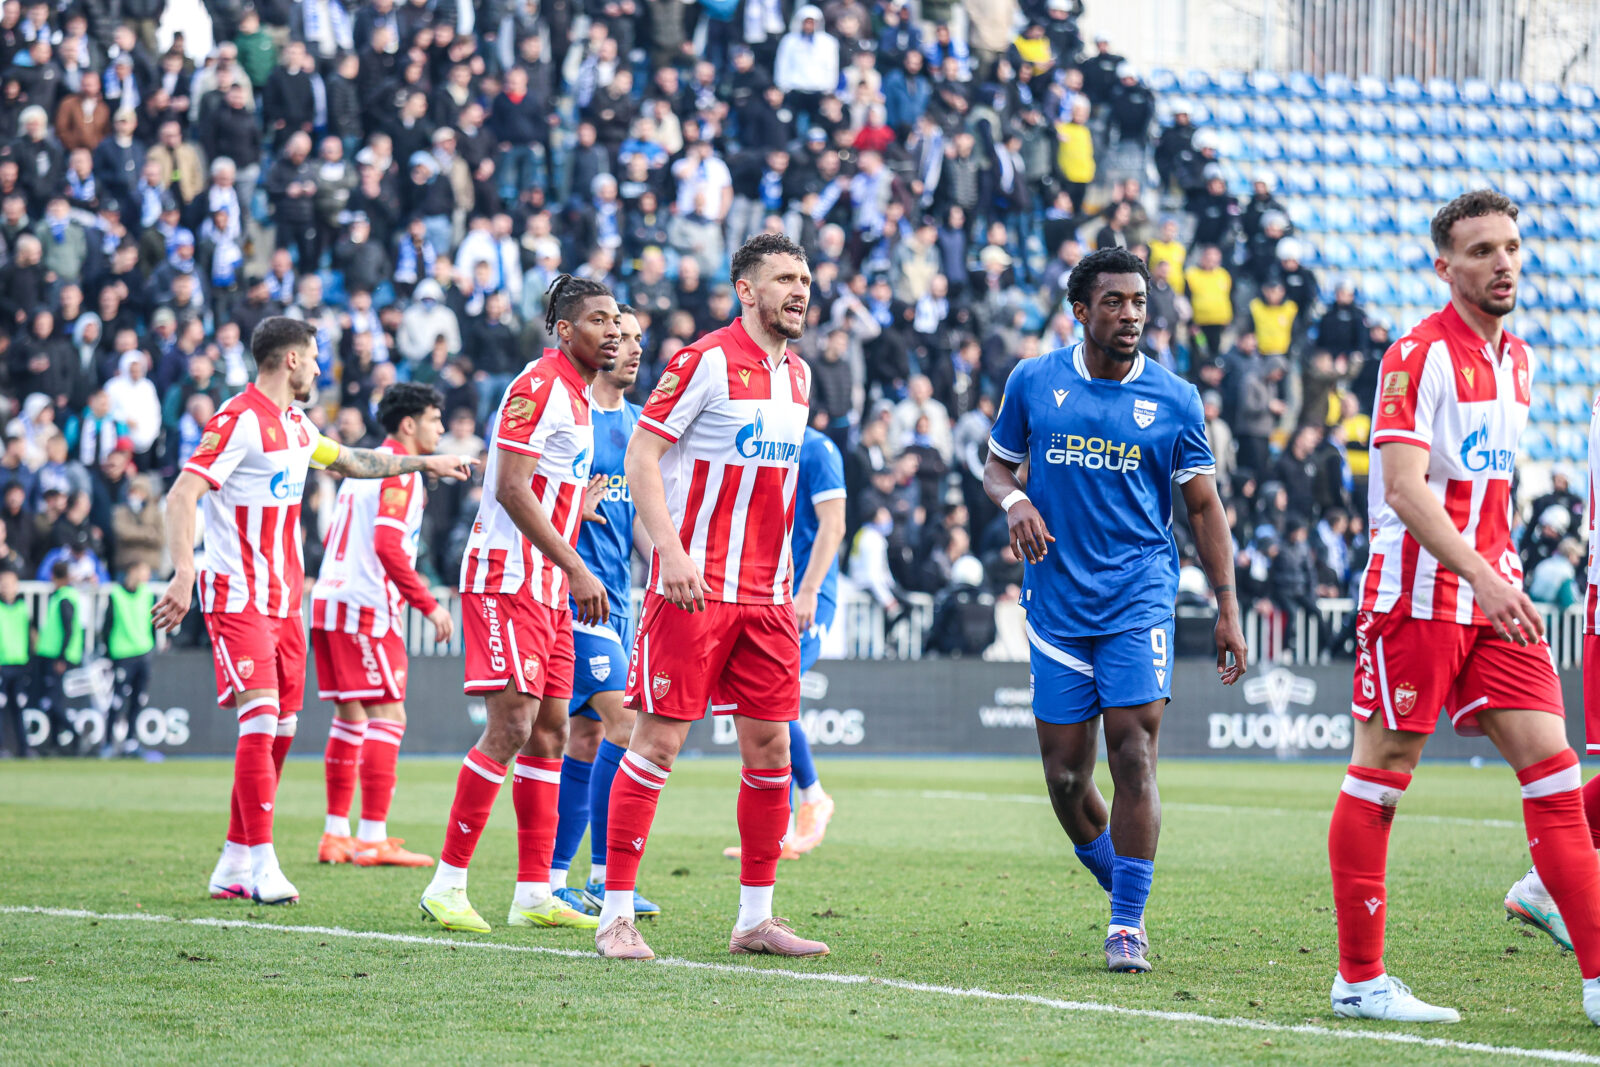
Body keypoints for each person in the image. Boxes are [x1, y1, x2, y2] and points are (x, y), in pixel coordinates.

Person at [1331, 190, 1600, 1025]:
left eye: (1512, 247)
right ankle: (1359, 980)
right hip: (1417, 593)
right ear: (1443, 266)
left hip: (1496, 593)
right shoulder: (1416, 356)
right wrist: (1481, 574)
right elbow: (1406, 491)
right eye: (1481, 250)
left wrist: (1496, 575)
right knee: (1381, 776)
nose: (1503, 263)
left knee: (1555, 781)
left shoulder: (1519, 360)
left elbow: (1493, 487)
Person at [982, 247, 1247, 974]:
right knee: (1067, 778)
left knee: (1134, 752)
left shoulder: (1175, 398)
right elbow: (997, 463)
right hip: (1057, 601)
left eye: (1138, 301)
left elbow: (1202, 507)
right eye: (1114, 302)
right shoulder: (1034, 381)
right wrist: (1017, 499)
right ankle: (1124, 878)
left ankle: (1126, 921)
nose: (1130, 314)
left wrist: (1228, 606)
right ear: (1080, 310)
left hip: (1139, 596)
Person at [152, 317, 475, 907]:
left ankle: (233, 858)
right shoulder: (239, 419)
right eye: (316, 358)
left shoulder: (297, 426)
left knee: (279, 731)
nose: (323, 369)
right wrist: (183, 571)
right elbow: (182, 493)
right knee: (261, 718)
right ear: (292, 360)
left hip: (288, 603)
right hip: (239, 596)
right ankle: (262, 860)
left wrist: (425, 464)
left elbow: (352, 461)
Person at [594, 233, 828, 961]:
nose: (800, 290)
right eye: (785, 278)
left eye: (806, 278)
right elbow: (642, 454)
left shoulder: (801, 377)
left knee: (770, 752)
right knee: (657, 741)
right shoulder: (704, 360)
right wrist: (668, 551)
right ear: (746, 289)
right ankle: (615, 914)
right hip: (694, 591)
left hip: (767, 598)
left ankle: (755, 918)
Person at [417, 276, 620, 935]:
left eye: (616, 320)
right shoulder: (539, 386)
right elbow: (509, 487)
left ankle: (534, 891)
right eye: (598, 320)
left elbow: (545, 487)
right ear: (565, 329)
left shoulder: (582, 398)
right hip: (506, 579)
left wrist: (576, 512)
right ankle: (446, 884)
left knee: (552, 730)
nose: (612, 330)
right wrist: (577, 563)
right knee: (510, 724)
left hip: (547, 586)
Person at [545, 306, 661, 921]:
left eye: (640, 340)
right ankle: (602, 876)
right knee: (625, 722)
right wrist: (570, 517)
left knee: (584, 736)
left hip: (618, 600)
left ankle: (566, 876)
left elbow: (641, 515)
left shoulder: (639, 424)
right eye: (622, 337)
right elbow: (529, 495)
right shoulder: (572, 414)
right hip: (570, 600)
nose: (633, 348)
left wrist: (666, 562)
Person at [311, 383, 454, 870]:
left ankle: (336, 835)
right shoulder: (401, 473)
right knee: (388, 719)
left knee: (351, 719)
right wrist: (428, 604)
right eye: (436, 420)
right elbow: (388, 546)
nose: (441, 429)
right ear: (409, 424)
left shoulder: (366, 466)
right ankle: (372, 838)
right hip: (365, 605)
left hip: (332, 599)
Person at [723, 419, 846, 862]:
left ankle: (814, 796)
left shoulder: (817, 449)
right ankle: (779, 832)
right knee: (760, 700)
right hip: (764, 590)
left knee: (777, 691)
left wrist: (810, 590)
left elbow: (834, 525)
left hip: (806, 595)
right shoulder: (761, 446)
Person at [101, 560, 155, 758]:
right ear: (132, 571)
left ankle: (131, 741)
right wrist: (108, 653)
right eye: (143, 570)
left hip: (143, 652)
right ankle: (108, 742)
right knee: (117, 700)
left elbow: (153, 622)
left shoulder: (147, 594)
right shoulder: (116, 594)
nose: (147, 575)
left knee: (138, 700)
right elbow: (107, 625)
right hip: (123, 655)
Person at [33, 559, 86, 754]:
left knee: (54, 702)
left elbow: (68, 630)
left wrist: (62, 658)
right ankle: (55, 743)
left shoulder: (64, 598)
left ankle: (76, 734)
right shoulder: (64, 596)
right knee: (54, 701)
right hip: (54, 655)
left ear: (53, 576)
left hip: (59, 658)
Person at [0, 567, 34, 758]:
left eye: (10, 584)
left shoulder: (23, 608)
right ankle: (2, 747)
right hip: (2, 665)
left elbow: (30, 636)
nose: (7, 588)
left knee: (19, 707)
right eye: (3, 583)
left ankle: (24, 748)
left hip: (19, 664)